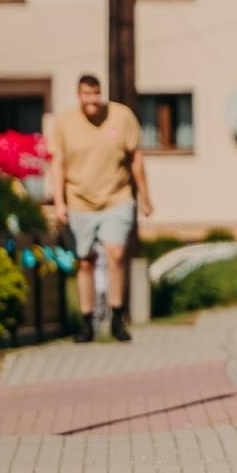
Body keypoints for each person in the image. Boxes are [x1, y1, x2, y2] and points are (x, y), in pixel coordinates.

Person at [50, 73, 153, 343]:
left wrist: (144, 197)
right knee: (85, 261)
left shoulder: (121, 116)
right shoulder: (65, 123)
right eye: (86, 94)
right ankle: (88, 322)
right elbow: (57, 164)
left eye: (96, 94)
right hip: (79, 199)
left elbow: (136, 159)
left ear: (101, 93)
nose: (92, 100)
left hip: (116, 197)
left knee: (116, 253)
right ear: (78, 95)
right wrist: (59, 202)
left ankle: (117, 317)